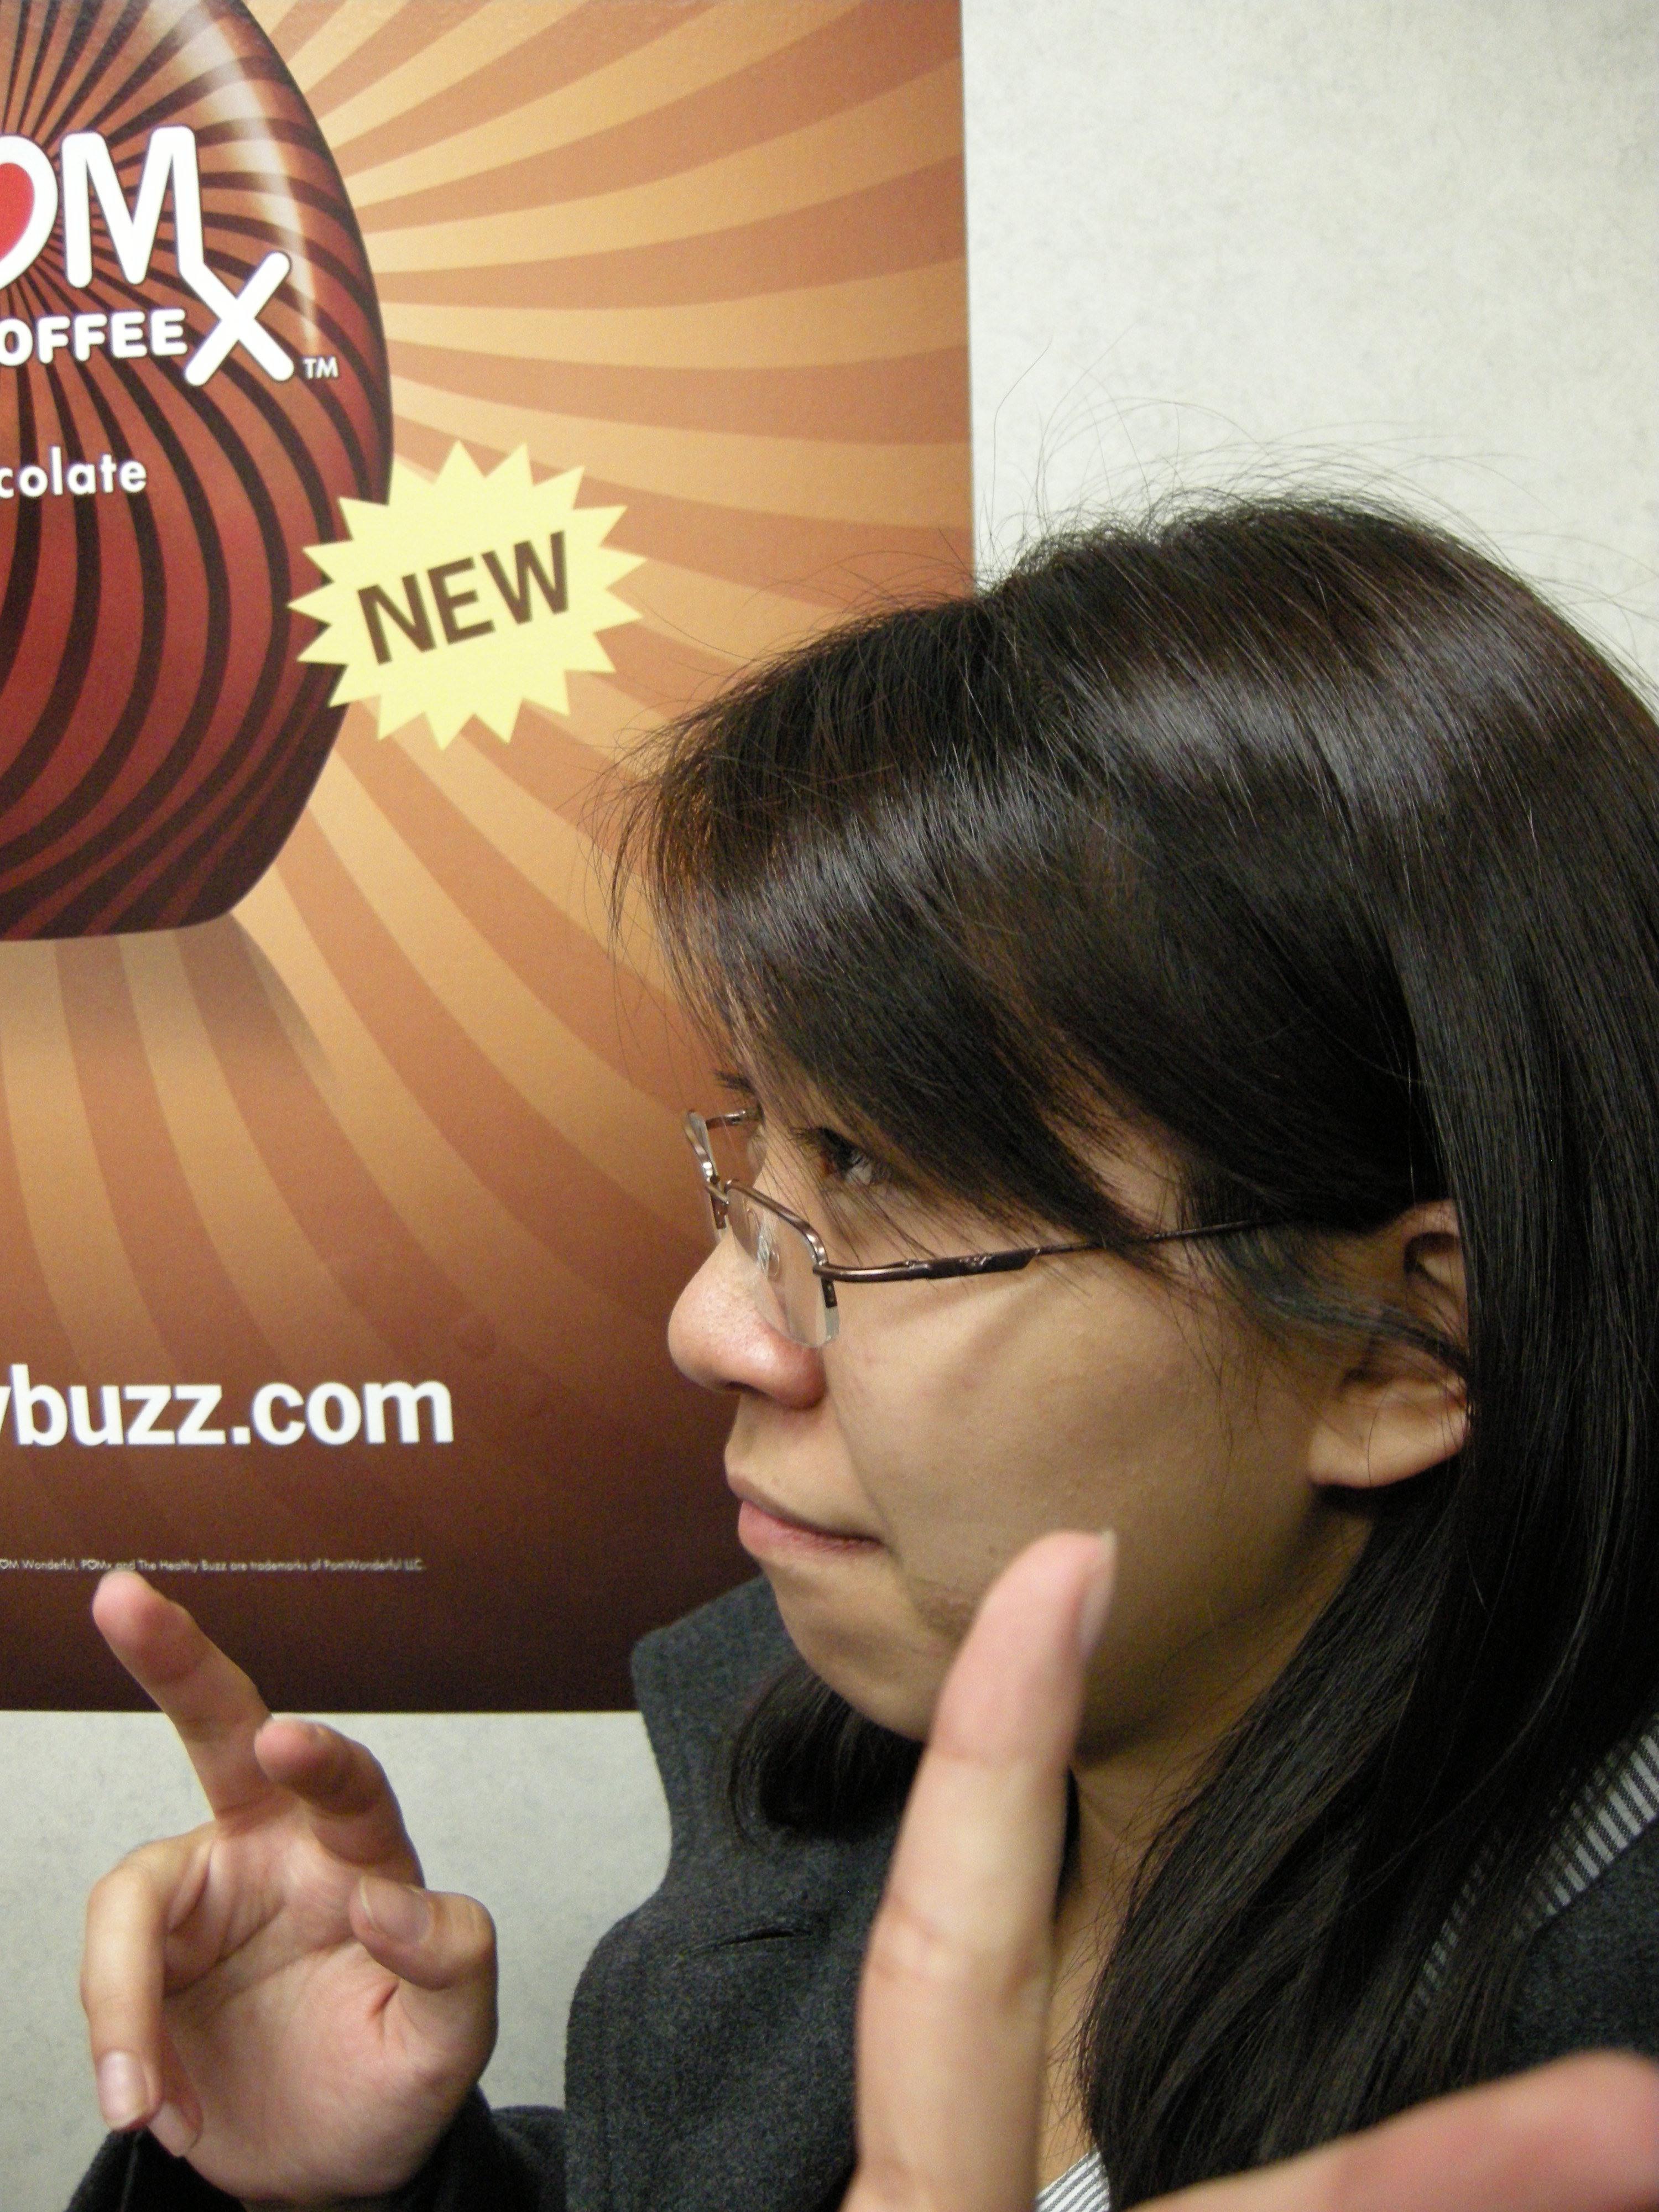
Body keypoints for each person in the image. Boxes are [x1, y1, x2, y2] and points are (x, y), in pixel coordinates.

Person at [70, 498, 1659, 2209]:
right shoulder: (837, 1784)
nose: (713, 1328)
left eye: (878, 1174)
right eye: (763, 1143)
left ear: (1402, 1348)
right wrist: (363, 2193)